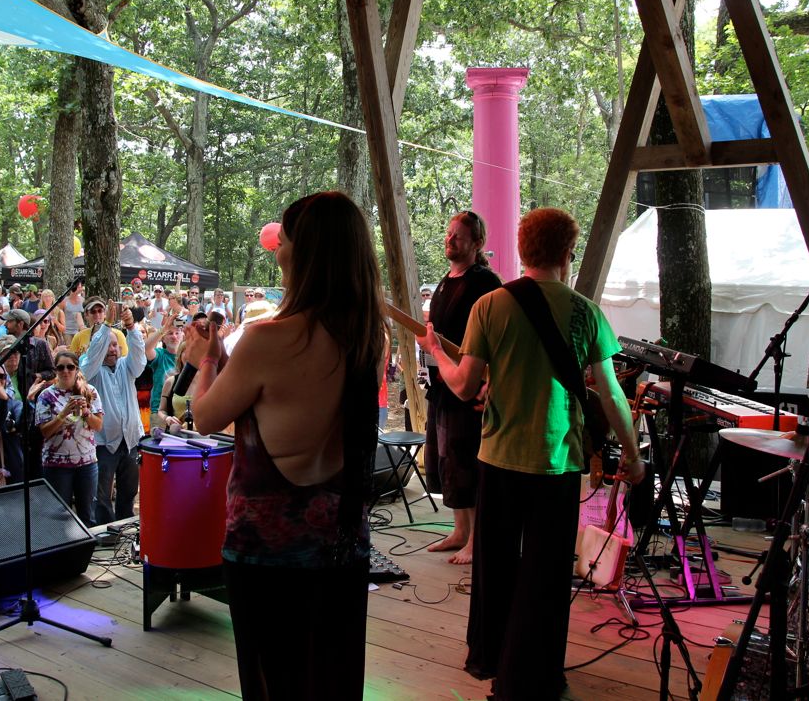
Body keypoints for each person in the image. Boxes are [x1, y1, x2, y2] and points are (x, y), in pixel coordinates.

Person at [418, 207, 646, 701]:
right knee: (546, 573)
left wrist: (435, 350)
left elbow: (464, 386)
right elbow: (611, 394)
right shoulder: (586, 312)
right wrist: (632, 454)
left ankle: (490, 656)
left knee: (495, 565)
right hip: (556, 460)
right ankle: (534, 675)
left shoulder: (491, 306)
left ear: (522, 250)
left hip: (499, 456)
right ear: (568, 253)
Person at [182, 191, 385, 700]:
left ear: (304, 253)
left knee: (274, 683)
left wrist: (208, 358)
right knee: (333, 680)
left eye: (285, 240)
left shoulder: (267, 339)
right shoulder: (368, 338)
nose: (278, 250)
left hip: (267, 552)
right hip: (342, 542)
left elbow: (204, 417)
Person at [423, 210, 502, 565]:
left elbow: (494, 338)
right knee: (448, 460)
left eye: (458, 235)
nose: (450, 239)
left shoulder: (485, 283)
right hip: (443, 383)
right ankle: (460, 531)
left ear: (477, 243)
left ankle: (477, 541)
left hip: (470, 386)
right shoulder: (445, 282)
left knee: (468, 460)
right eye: (448, 233)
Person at [79, 301, 145, 523]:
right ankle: (105, 532)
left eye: (115, 345)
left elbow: (139, 356)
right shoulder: (90, 369)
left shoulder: (128, 366)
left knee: (129, 491)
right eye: (108, 345)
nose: (112, 349)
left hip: (131, 441)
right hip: (103, 443)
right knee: (102, 495)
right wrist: (106, 324)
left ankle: (125, 527)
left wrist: (131, 327)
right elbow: (93, 353)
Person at [30, 350, 102, 526]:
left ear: (77, 369)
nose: (65, 371)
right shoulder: (46, 395)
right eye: (60, 367)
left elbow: (98, 426)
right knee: (59, 517)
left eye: (70, 367)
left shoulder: (90, 392)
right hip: (57, 465)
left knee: (88, 515)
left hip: (87, 463)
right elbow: (45, 432)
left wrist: (86, 412)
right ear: (55, 370)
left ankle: (88, 544)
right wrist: (63, 414)